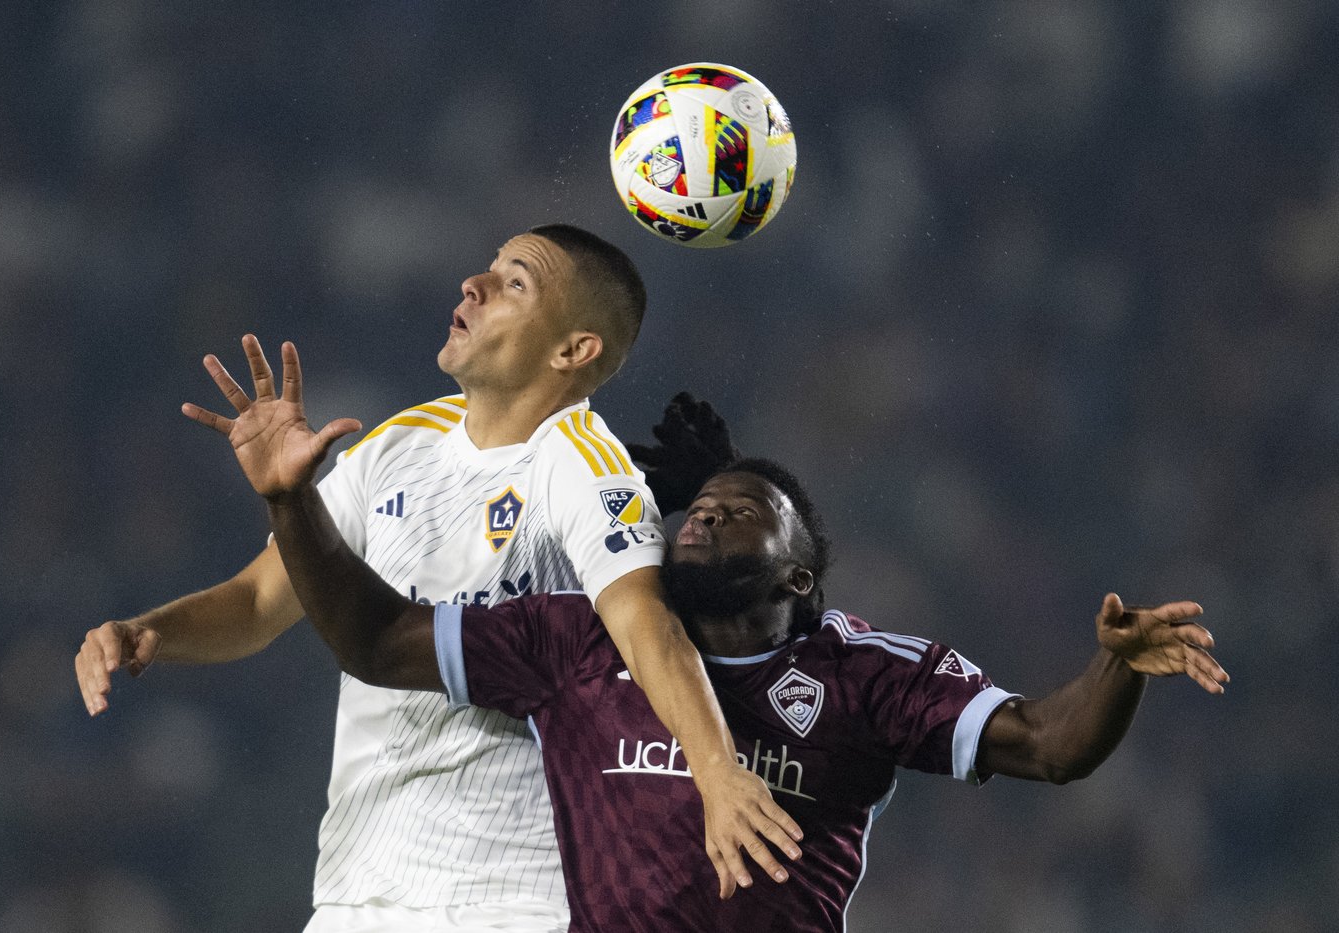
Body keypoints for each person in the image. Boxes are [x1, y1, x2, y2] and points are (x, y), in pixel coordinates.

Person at [205, 350, 1229, 931]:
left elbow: (1050, 746)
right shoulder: (579, 643)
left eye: (743, 510)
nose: (705, 514)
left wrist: (1114, 666)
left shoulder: (863, 676)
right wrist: (293, 504)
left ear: (799, 576)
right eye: (698, 506)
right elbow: (375, 636)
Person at [74, 224, 799, 932]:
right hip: (358, 893)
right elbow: (260, 600)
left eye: (515, 282)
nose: (473, 285)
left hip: (510, 897)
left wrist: (717, 773)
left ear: (573, 349)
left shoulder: (584, 465)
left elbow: (647, 626)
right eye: (489, 267)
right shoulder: (400, 442)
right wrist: (150, 630)